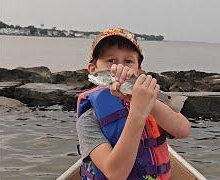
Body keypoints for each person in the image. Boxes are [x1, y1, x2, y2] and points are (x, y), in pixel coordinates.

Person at [76, 27, 191, 180]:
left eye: (128, 61)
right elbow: (116, 174)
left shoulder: (150, 102)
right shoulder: (88, 117)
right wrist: (138, 113)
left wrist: (147, 102)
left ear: (139, 71)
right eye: (111, 61)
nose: (120, 68)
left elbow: (183, 131)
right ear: (93, 69)